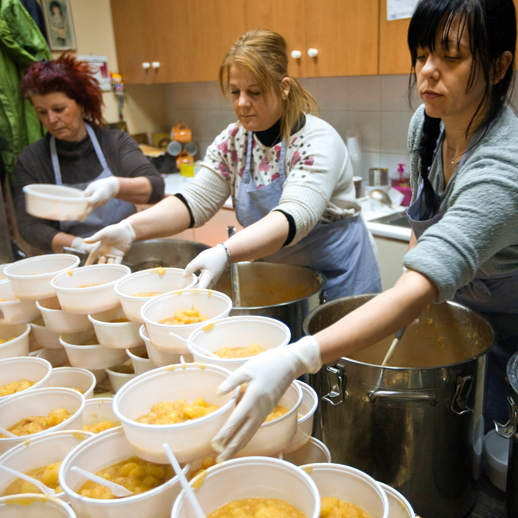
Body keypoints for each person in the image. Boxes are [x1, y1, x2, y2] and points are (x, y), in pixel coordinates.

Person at [206, 0, 518, 462]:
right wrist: (409, 298)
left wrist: (297, 357)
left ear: (497, 67)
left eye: (451, 57)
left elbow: (432, 269)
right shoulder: (427, 125)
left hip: (506, 338)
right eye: (422, 54)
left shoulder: (502, 167)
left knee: (482, 454)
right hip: (451, 314)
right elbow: (423, 225)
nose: (427, 72)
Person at [85, 30, 381, 301]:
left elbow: (294, 217)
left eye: (254, 92)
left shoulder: (316, 141)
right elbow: (194, 202)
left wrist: (226, 252)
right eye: (235, 91)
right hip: (279, 278)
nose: (241, 103)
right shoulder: (235, 141)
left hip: (339, 277)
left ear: (284, 87)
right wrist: (129, 229)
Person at [14, 53, 164, 254]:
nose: (51, 119)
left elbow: (155, 188)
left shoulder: (115, 143)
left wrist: (115, 186)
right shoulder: (32, 160)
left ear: (81, 104)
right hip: (73, 260)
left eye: (59, 109)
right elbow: (29, 226)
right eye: (42, 112)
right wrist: (82, 246)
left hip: (126, 253)